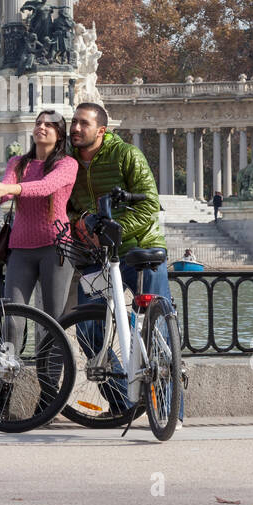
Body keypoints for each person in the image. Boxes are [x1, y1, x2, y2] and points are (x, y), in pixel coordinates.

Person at [66, 102, 183, 423]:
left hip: (140, 250)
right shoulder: (67, 162)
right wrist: (81, 220)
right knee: (89, 332)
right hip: (96, 254)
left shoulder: (128, 155)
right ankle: (123, 405)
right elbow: (69, 205)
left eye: (83, 124)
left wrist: (113, 233)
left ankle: (172, 411)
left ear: (101, 130)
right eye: (73, 122)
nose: (75, 128)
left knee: (159, 329)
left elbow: (149, 204)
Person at [0, 110, 78, 330]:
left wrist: (9, 188)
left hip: (57, 248)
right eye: (38, 123)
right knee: (12, 318)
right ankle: (10, 365)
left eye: (49, 125)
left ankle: (52, 367)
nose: (41, 127)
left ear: (60, 135)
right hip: (20, 248)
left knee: (55, 320)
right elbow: (5, 192)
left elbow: (45, 187)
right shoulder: (17, 162)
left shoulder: (67, 164)